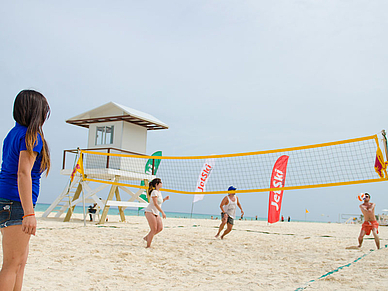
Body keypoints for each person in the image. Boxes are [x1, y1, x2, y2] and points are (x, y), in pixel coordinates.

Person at [0, 90, 50, 290]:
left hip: (9, 201)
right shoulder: (31, 135)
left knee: (19, 264)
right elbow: (23, 173)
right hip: (16, 203)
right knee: (12, 265)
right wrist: (29, 213)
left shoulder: (14, 133)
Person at [143, 178, 169, 248]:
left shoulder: (159, 192)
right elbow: (155, 204)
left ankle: (147, 237)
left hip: (156, 212)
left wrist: (165, 199)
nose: (162, 183)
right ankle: (148, 246)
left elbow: (159, 202)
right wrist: (162, 212)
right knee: (153, 229)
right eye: (160, 182)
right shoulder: (154, 192)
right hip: (150, 212)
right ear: (157, 184)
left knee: (160, 228)